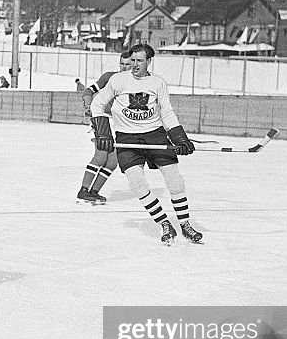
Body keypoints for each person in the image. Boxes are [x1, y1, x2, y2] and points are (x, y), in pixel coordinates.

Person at [91, 43, 202, 244]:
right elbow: (97, 104)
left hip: (155, 135)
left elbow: (166, 112)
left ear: (149, 61)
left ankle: (185, 224)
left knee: (175, 181)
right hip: (127, 138)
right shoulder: (118, 80)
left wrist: (180, 138)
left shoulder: (158, 83)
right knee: (137, 184)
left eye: (139, 61)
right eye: (132, 60)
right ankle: (164, 223)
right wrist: (103, 132)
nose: (134, 65)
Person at [77, 51, 134, 204]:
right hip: (102, 117)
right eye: (122, 64)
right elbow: (89, 90)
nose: (124, 67)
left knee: (112, 162)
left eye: (128, 64)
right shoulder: (109, 77)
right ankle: (83, 190)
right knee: (101, 155)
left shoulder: (137, 82)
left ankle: (93, 192)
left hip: (120, 123)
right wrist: (88, 104)